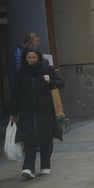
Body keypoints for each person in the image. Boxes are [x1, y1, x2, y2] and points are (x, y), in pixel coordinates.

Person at [9, 46, 64, 180]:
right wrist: (13, 112)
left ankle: (45, 164)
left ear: (38, 58)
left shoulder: (47, 70)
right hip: (27, 112)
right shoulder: (21, 73)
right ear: (25, 59)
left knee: (46, 138)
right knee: (29, 140)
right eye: (29, 58)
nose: (32, 60)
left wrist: (50, 81)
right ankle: (28, 168)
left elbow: (61, 83)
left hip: (46, 111)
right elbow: (15, 94)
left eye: (34, 57)